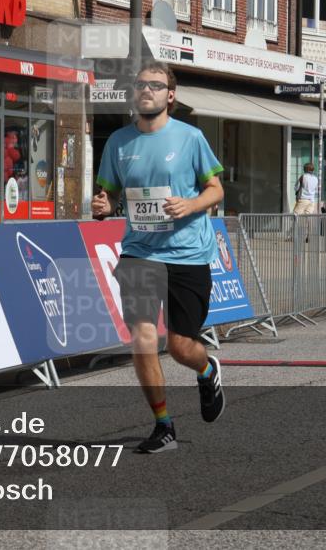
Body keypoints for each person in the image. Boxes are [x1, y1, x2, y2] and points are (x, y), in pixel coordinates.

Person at [92, 61, 226, 454]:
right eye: (140, 85)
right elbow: (109, 196)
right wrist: (103, 203)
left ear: (171, 95)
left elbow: (216, 190)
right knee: (142, 339)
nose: (146, 90)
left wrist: (191, 204)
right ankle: (163, 426)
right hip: (139, 252)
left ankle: (207, 369)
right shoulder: (118, 142)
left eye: (155, 84)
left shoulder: (191, 138)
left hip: (187, 254)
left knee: (181, 346)